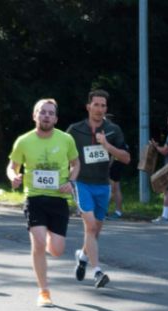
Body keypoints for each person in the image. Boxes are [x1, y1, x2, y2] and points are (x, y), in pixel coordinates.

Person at [6, 98, 80, 307]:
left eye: (50, 113)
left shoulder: (66, 139)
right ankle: (44, 291)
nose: (46, 116)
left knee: (56, 250)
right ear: (34, 116)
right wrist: (14, 177)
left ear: (56, 118)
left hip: (58, 199)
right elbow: (12, 166)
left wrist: (71, 182)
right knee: (38, 243)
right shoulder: (23, 141)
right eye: (42, 112)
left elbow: (76, 164)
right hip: (34, 198)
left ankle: (48, 236)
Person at [67, 89, 130, 288]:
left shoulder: (113, 130)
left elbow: (126, 158)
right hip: (81, 183)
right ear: (88, 107)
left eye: (103, 106)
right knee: (91, 226)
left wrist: (107, 145)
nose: (99, 109)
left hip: (103, 185)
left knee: (95, 231)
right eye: (96, 105)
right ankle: (97, 272)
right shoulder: (75, 130)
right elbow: (62, 154)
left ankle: (82, 257)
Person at [106, 114, 130, 220]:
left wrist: (109, 165)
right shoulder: (115, 130)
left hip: (116, 162)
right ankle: (117, 212)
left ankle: (104, 211)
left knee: (112, 189)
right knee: (116, 188)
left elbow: (113, 152)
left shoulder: (112, 132)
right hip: (119, 161)